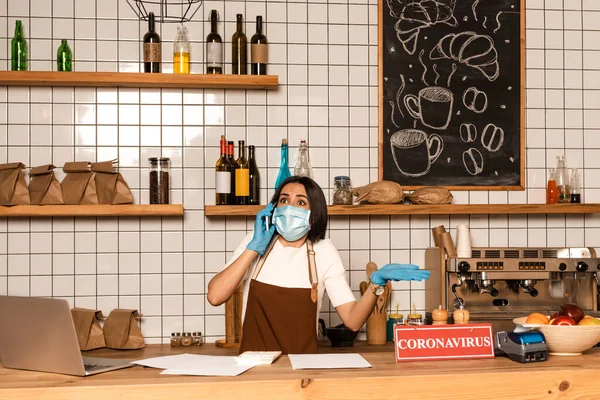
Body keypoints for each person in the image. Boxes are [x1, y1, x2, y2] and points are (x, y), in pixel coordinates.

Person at [207, 176, 429, 354]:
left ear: (313, 216)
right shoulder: (253, 244)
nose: (289, 207)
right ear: (274, 209)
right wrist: (254, 248)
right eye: (284, 200)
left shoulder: (324, 252)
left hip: (304, 371)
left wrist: (376, 284)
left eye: (300, 202)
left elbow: (352, 321)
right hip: (255, 370)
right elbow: (215, 296)